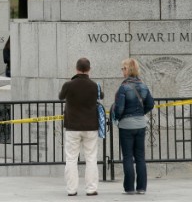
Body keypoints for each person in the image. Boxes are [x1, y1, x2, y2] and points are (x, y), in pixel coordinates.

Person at [58, 57, 103, 197]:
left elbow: (60, 97)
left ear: (76, 69)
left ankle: (71, 189)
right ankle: (91, 188)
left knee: (71, 158)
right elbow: (101, 96)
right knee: (91, 158)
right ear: (89, 70)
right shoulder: (94, 85)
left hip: (73, 126)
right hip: (91, 126)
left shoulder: (68, 84)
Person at [112, 58, 155, 195]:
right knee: (140, 157)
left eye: (123, 68)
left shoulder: (123, 87)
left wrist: (118, 118)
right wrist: (141, 113)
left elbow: (119, 109)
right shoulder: (143, 85)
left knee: (128, 157)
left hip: (126, 126)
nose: (122, 71)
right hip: (140, 124)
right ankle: (142, 188)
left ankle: (129, 188)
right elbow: (151, 104)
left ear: (127, 70)